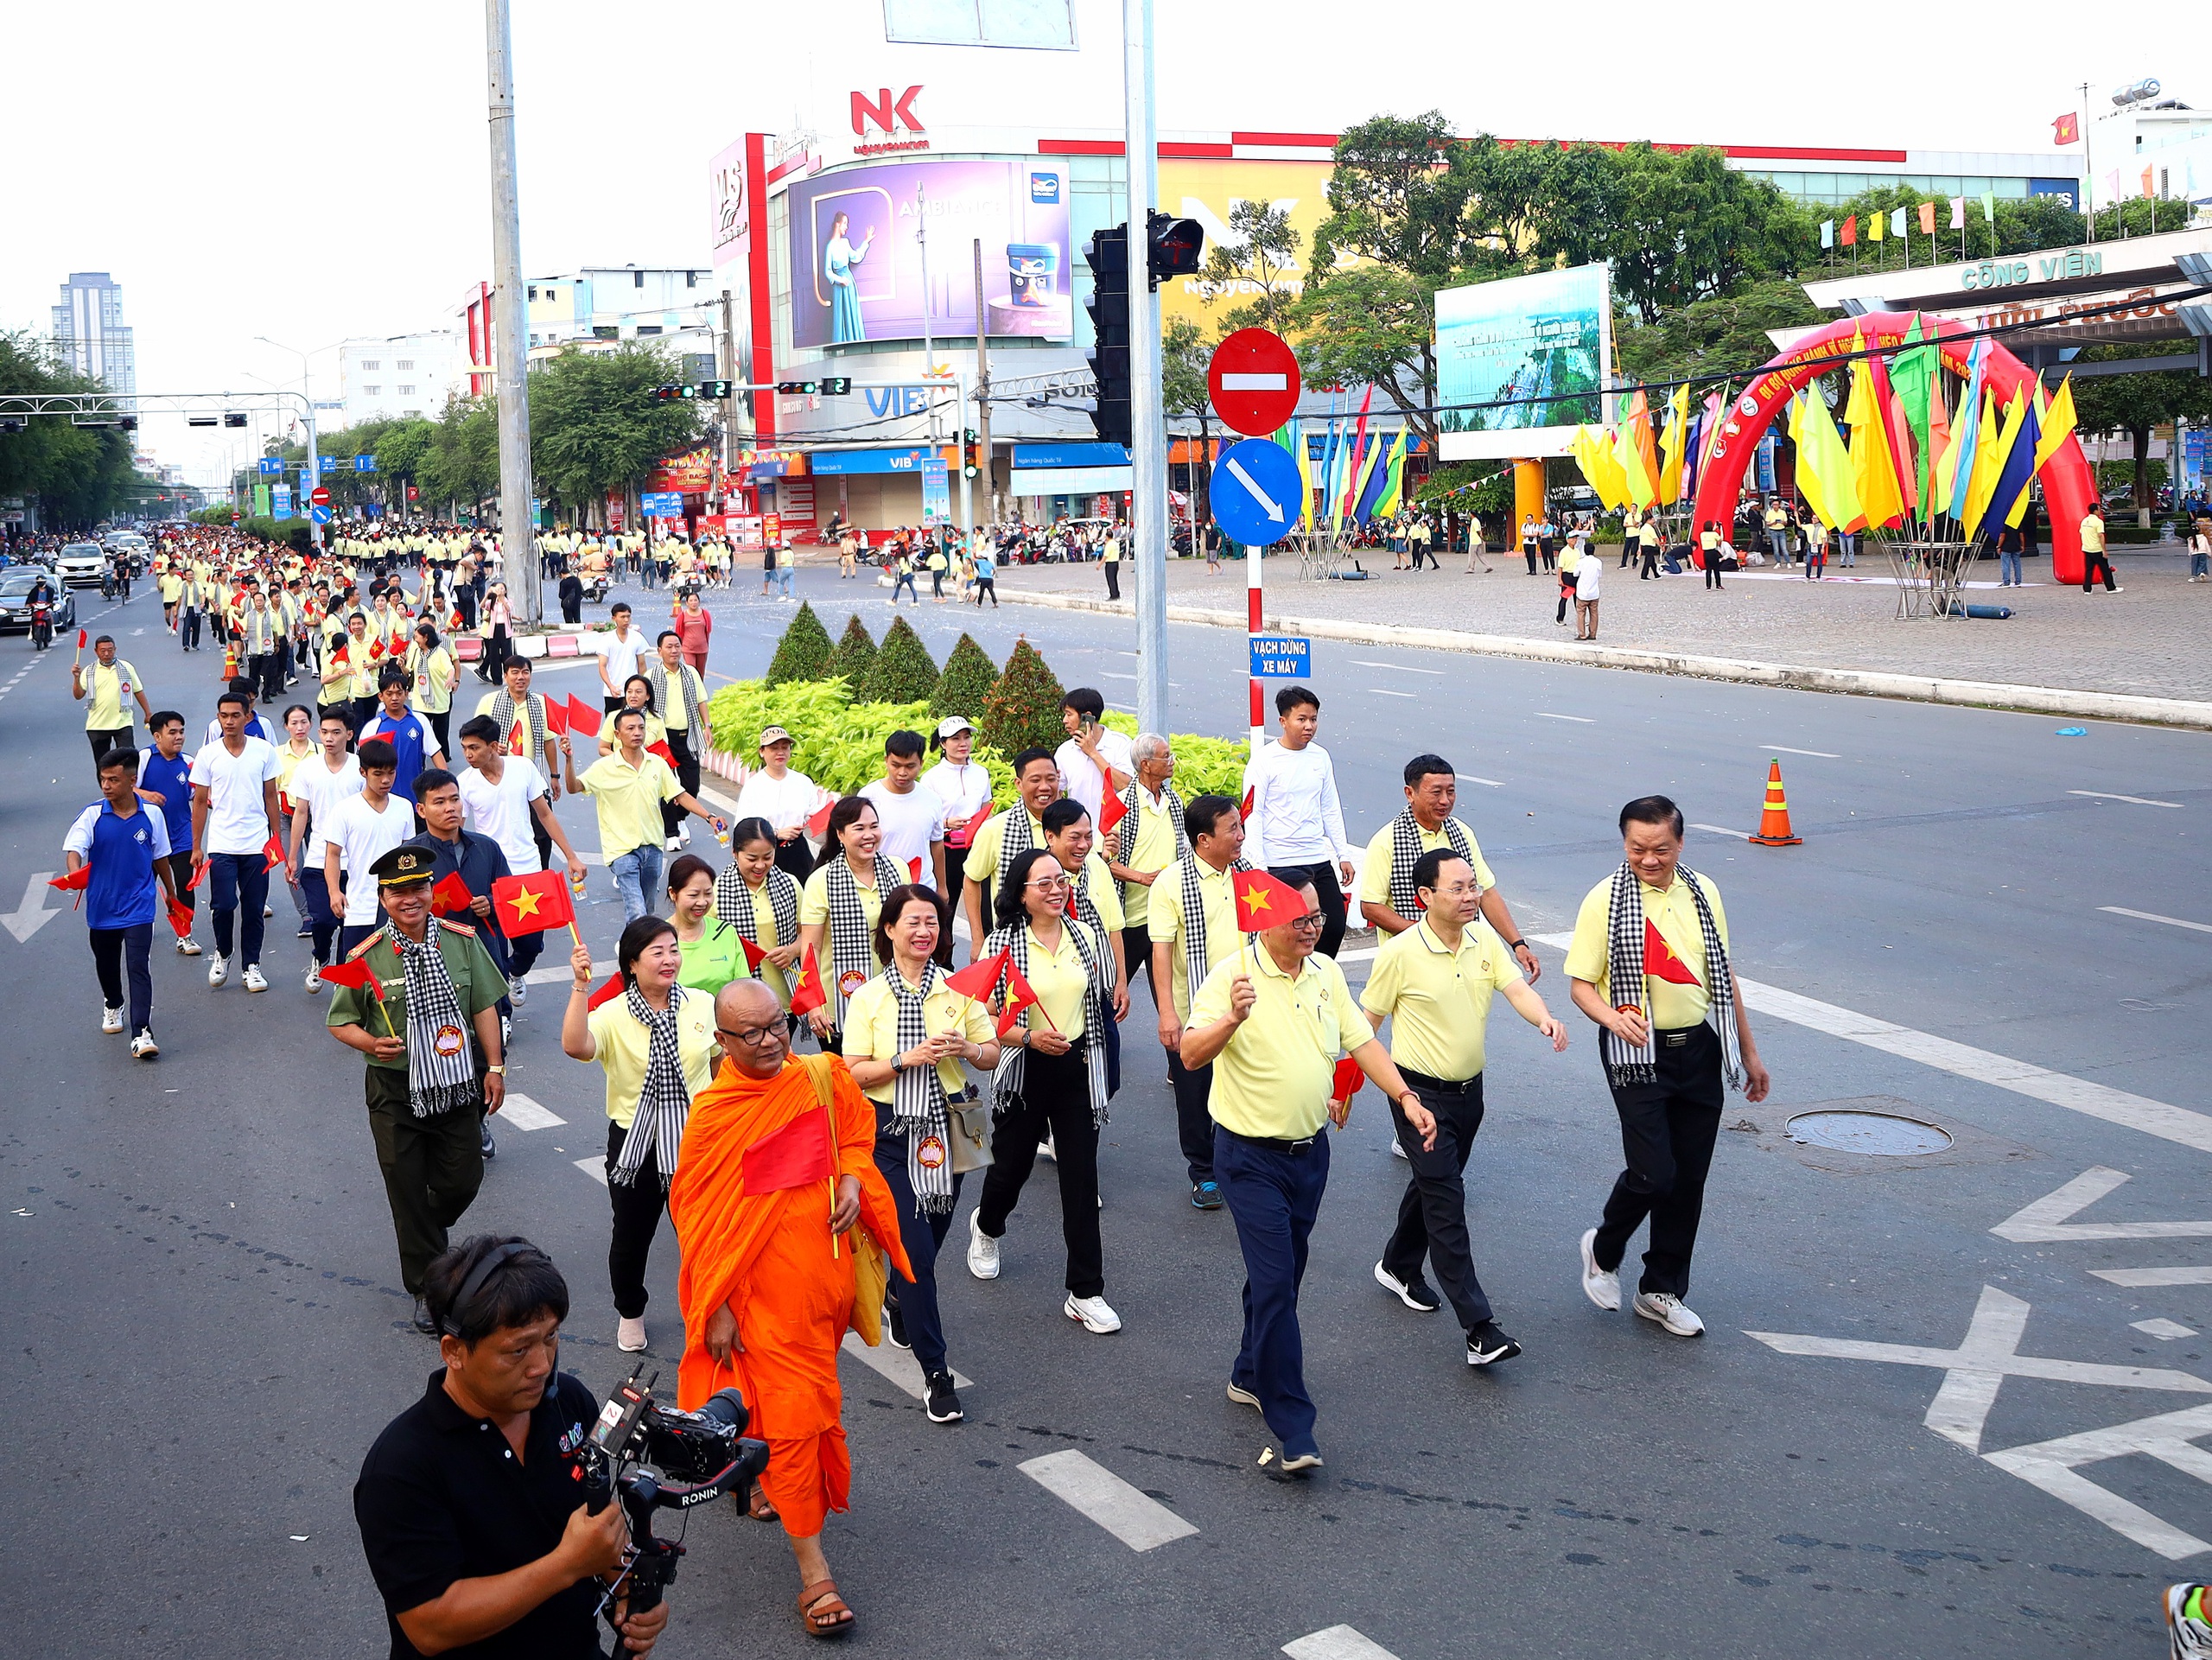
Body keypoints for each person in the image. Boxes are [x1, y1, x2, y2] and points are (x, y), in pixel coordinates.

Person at [671, 981, 914, 1633]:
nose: (771, 1040)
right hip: (759, 1304)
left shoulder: (821, 1074)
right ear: (722, 1041)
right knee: (795, 1418)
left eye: (777, 1024)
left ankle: (754, 1469)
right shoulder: (714, 1115)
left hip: (823, 1292)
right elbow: (695, 1218)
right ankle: (815, 1574)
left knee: (787, 1404)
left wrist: (857, 1180)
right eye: (750, 1033)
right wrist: (715, 1302)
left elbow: (857, 1134)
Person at [1179, 870, 1422, 1474]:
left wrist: (1405, 1097)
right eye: (1302, 918)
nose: (1314, 928)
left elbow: (1361, 1042)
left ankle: (1247, 1370)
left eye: (1319, 917)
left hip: (1309, 1155)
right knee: (1278, 1279)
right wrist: (1230, 1020)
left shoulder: (1326, 973)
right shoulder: (1232, 976)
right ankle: (1294, 1424)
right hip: (1247, 1157)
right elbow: (1188, 1053)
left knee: (1280, 1276)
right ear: (1267, 919)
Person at [353, 1235, 671, 1659]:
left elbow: (591, 1527)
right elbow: (430, 1624)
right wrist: (566, 1565)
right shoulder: (400, 1467)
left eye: (551, 1337)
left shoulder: (570, 1404)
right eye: (517, 1349)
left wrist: (628, 1585)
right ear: (455, 1352)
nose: (541, 1365)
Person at [1566, 797, 1770, 1338]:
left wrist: (1747, 1051)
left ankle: (1661, 1289)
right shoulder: (1605, 900)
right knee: (1655, 1172)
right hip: (1636, 1054)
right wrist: (1612, 1018)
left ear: (1680, 843)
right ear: (1625, 843)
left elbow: (1723, 975)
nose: (1649, 859)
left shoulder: (1704, 893)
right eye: (1637, 849)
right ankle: (1603, 1248)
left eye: (1660, 849)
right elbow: (1580, 985)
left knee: (1689, 1178)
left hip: (1699, 1049)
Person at [1359, 849, 1568, 1366]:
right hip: (1416, 1096)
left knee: (1434, 1185)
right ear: (1425, 896)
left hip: (1468, 1095)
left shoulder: (1483, 941)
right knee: (1447, 1201)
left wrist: (1543, 1019)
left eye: (1473, 886)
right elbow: (1366, 1024)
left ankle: (1397, 1264)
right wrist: (1343, 1086)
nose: (1471, 896)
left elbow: (1515, 987)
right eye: (1457, 888)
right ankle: (1479, 1328)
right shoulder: (1401, 953)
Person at [325, 845, 508, 1332]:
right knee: (406, 1188)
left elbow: (484, 1006)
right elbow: (340, 1021)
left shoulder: (461, 940)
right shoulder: (366, 957)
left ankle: (428, 1231)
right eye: (400, 892)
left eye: (419, 888)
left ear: (432, 890)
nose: (412, 899)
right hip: (394, 1089)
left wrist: (495, 1067)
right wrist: (371, 1042)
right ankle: (428, 1289)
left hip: (454, 1084)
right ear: (384, 899)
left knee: (461, 1181)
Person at [838, 888, 997, 1426]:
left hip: (955, 1128)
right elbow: (854, 1071)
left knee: (932, 1237)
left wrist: (967, 1050)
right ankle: (937, 1373)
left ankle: (902, 1301)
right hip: (889, 1133)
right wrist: (907, 1058)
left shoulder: (958, 989)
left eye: (932, 921)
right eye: (913, 922)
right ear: (889, 931)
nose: (924, 931)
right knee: (916, 1256)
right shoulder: (868, 997)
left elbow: (991, 1053)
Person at [967, 847, 1123, 1332]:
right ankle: (987, 1226)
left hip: (1077, 1066)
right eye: (1045, 884)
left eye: (1061, 880)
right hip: (1024, 1069)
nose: (1057, 889)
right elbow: (982, 1019)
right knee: (1010, 1170)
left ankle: (1085, 1290)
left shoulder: (1086, 936)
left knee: (1081, 1179)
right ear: (1021, 894)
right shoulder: (1001, 944)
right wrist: (1029, 1036)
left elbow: (1096, 1000)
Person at [562, 918, 720, 1352]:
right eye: (657, 952)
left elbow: (722, 1063)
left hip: (697, 1140)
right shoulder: (612, 1013)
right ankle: (630, 1312)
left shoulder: (702, 1005)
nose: (670, 959)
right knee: (632, 1236)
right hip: (636, 1144)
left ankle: (708, 1309)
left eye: (673, 950)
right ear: (632, 964)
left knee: (704, 1235)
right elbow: (576, 1047)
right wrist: (579, 986)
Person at [1147, 794, 1250, 1210]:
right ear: (1204, 840)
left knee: (1241, 1088)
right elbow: (1161, 952)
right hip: (1195, 1014)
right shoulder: (1171, 883)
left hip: (1244, 1009)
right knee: (1195, 1097)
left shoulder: (1249, 876)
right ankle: (1203, 1173)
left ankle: (1239, 1166)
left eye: (1241, 827)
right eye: (1233, 829)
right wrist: (1168, 1014)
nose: (1241, 836)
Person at [1357, 755, 1540, 978]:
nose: (1445, 800)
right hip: (1411, 963)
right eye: (1435, 792)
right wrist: (1425, 934)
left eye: (1450, 792)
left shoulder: (1462, 833)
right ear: (1410, 793)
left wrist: (1518, 944)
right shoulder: (1387, 841)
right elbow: (1371, 906)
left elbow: (1487, 893)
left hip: (1463, 956)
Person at [455, 715, 586, 1003]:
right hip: (492, 877)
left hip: (528, 871)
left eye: (474, 748)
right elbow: (459, 832)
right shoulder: (464, 783)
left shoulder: (522, 768)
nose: (467, 754)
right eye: (464, 747)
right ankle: (503, 1015)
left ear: (493, 746)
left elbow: (545, 814)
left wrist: (571, 857)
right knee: (496, 945)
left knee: (531, 945)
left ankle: (516, 972)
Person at [67, 746, 181, 1059]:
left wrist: (171, 894)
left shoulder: (152, 815)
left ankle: (142, 1032)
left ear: (132, 781)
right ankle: (113, 1002)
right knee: (106, 964)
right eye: (103, 779)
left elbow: (160, 858)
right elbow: (75, 849)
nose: (106, 786)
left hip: (139, 905)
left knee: (137, 966)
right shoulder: (92, 814)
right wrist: (75, 873)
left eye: (113, 780)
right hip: (102, 907)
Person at [563, 708, 724, 923]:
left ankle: (635, 945)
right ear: (618, 735)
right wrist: (569, 761)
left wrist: (710, 817)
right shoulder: (603, 768)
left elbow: (680, 794)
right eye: (630, 728)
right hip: (621, 850)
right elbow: (573, 787)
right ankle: (635, 952)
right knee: (637, 910)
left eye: (641, 727)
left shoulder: (657, 763)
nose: (637, 732)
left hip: (652, 848)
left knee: (647, 909)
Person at [1239, 686, 1355, 957]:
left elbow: (1330, 807)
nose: (1309, 726)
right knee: (1289, 931)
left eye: (1313, 719)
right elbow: (1253, 815)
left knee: (1334, 926)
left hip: (1316, 856)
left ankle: (1317, 975)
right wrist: (1259, 867)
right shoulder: (1264, 761)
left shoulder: (1320, 757)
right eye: (1301, 719)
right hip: (1280, 862)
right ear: (1283, 721)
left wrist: (1343, 854)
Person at [189, 690, 283, 993]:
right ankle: (223, 952)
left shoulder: (264, 751)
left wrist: (276, 839)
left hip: (256, 843)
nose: (229, 721)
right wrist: (197, 846)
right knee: (224, 905)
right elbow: (200, 801)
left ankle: (251, 966)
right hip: (222, 844)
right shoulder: (208, 755)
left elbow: (271, 796)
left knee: (254, 908)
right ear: (218, 718)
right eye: (224, 715)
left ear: (247, 717)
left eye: (235, 715)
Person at [797, 797, 902, 1053]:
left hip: (893, 995)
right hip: (837, 1003)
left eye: (874, 826)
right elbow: (811, 948)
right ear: (840, 835)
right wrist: (814, 1003)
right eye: (859, 828)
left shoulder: (898, 869)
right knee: (843, 1083)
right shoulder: (821, 881)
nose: (869, 835)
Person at [1102, 733, 1184, 1016]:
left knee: (1172, 1002)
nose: (1172, 761)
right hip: (1132, 920)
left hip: (1167, 916)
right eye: (1166, 757)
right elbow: (1105, 864)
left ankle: (1178, 1060)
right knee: (1112, 996)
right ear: (1146, 765)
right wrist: (1142, 878)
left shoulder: (1174, 802)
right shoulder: (1122, 805)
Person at [289, 707, 362, 989]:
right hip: (319, 858)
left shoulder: (360, 768)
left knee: (350, 924)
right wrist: (293, 856)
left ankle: (343, 976)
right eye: (324, 732)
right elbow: (301, 813)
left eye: (336, 732)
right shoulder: (308, 768)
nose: (329, 738)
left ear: (349, 734)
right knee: (323, 920)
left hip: (354, 861)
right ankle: (320, 957)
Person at [960, 747, 1058, 958]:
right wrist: (978, 939)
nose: (1045, 787)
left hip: (1062, 940)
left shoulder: (1071, 826)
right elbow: (972, 880)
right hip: (1012, 942)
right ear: (1018, 784)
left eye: (1051, 778)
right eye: (1035, 780)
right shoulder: (996, 829)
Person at [713, 818, 804, 1008]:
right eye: (752, 859)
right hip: (738, 999)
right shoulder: (718, 891)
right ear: (735, 853)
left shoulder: (790, 885)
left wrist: (793, 950)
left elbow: (809, 933)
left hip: (785, 994)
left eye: (768, 857)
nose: (760, 866)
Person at [137, 710, 204, 958]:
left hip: (181, 834)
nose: (179, 737)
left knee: (185, 884)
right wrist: (146, 795)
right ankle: (142, 925)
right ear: (157, 736)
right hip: (147, 838)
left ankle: (184, 935)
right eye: (172, 732)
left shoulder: (188, 762)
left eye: (182, 731)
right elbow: (126, 787)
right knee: (145, 885)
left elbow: (196, 796)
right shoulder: (144, 758)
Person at [860, 729, 949, 898]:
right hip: (880, 886)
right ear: (886, 760)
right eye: (896, 765)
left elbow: (936, 844)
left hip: (922, 887)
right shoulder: (868, 797)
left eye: (910, 766)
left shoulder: (932, 800)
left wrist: (942, 886)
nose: (902, 773)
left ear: (921, 763)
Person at [921, 716, 992, 927]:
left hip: (977, 847)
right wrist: (947, 822)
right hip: (946, 850)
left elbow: (986, 808)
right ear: (943, 744)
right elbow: (927, 818)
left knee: (984, 910)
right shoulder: (931, 778)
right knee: (945, 909)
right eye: (955, 739)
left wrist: (980, 825)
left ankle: (986, 956)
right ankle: (944, 959)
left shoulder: (981, 773)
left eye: (967, 737)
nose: (963, 743)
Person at [643, 633, 709, 849]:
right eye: (669, 646)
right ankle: (671, 833)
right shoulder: (651, 676)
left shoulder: (691, 673)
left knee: (692, 785)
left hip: (687, 736)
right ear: (659, 650)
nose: (674, 650)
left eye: (677, 646)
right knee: (667, 787)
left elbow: (701, 701)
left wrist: (707, 726)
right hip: (663, 740)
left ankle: (681, 818)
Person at [734, 724, 819, 885]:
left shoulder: (803, 782)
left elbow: (814, 813)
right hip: (765, 853)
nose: (780, 752)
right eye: (774, 748)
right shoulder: (754, 786)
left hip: (798, 852)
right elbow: (742, 827)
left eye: (785, 747)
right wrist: (776, 833)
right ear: (762, 752)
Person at [665, 853, 752, 997]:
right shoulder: (658, 938)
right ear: (673, 893)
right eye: (693, 895)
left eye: (708, 893)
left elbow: (744, 986)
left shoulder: (725, 932)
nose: (702, 902)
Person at [361, 667, 448, 804]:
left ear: (406, 694)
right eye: (389, 694)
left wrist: (446, 784)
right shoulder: (372, 727)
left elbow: (435, 752)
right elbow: (364, 765)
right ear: (381, 696)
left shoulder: (420, 721)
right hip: (383, 802)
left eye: (399, 693)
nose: (394, 698)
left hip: (416, 800)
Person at [73, 634, 153, 772]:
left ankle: (130, 790)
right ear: (96, 651)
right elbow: (78, 695)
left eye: (110, 650)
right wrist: (76, 678)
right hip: (97, 726)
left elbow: (138, 691)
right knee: (103, 765)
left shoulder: (126, 668)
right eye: (103, 650)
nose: (106, 654)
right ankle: (108, 792)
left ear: (115, 649)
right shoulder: (89, 671)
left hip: (123, 722)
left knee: (128, 760)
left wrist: (148, 713)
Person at [1052, 688, 1133, 821]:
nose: (1064, 720)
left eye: (1069, 714)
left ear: (1087, 717)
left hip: (1113, 832)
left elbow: (1124, 785)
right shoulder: (1065, 750)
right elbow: (1056, 793)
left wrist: (1092, 753)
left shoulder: (1120, 744)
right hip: (1079, 833)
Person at [410, 622, 458, 756]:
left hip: (439, 700)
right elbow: (409, 670)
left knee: (440, 734)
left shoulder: (440, 653)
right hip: (420, 701)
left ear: (425, 638)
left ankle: (443, 761)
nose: (415, 639)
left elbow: (450, 669)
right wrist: (402, 665)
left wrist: (450, 678)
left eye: (417, 637)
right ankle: (420, 763)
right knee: (420, 733)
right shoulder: (415, 651)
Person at [597, 603, 650, 713]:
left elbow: (642, 665)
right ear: (614, 618)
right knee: (614, 723)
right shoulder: (607, 640)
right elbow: (602, 666)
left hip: (632, 692)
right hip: (613, 692)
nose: (626, 620)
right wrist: (610, 686)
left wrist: (643, 686)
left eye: (628, 616)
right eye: (622, 617)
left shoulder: (637, 638)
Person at [668, 588, 712, 673]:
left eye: (695, 600)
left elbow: (708, 631)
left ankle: (699, 686)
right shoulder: (682, 616)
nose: (693, 603)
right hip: (688, 649)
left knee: (700, 674)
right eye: (691, 601)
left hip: (702, 649)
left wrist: (706, 645)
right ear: (687, 603)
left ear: (699, 602)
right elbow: (678, 633)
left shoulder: (705, 614)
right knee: (691, 672)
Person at [2080, 506, 2120, 593]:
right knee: (2105, 569)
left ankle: (2087, 589)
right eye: (2099, 509)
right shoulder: (2098, 522)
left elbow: (2081, 532)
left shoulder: (2084, 521)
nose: (2100, 511)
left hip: (2087, 548)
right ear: (2095, 511)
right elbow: (2101, 535)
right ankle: (2110, 588)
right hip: (2096, 549)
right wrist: (2104, 550)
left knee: (2089, 570)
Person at [1573, 541, 1603, 636]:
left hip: (1582, 592)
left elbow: (1575, 574)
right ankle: (1593, 633)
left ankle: (1582, 634)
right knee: (1594, 613)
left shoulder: (1580, 562)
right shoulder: (1598, 562)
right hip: (1594, 592)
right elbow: (1599, 575)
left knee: (1581, 613)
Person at [1698, 520, 1725, 590]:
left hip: (1706, 553)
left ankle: (1708, 586)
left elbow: (1709, 534)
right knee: (1716, 569)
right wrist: (1720, 529)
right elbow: (1720, 539)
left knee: (1708, 570)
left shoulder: (1702, 534)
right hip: (1713, 552)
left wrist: (1714, 528)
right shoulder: (1714, 534)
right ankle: (1718, 585)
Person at [970, 541, 998, 607]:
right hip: (990, 579)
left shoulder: (981, 562)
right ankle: (995, 603)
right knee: (991, 591)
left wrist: (972, 551)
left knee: (982, 591)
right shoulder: (990, 563)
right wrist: (992, 575)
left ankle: (979, 603)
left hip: (983, 579)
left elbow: (973, 558)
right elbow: (994, 570)